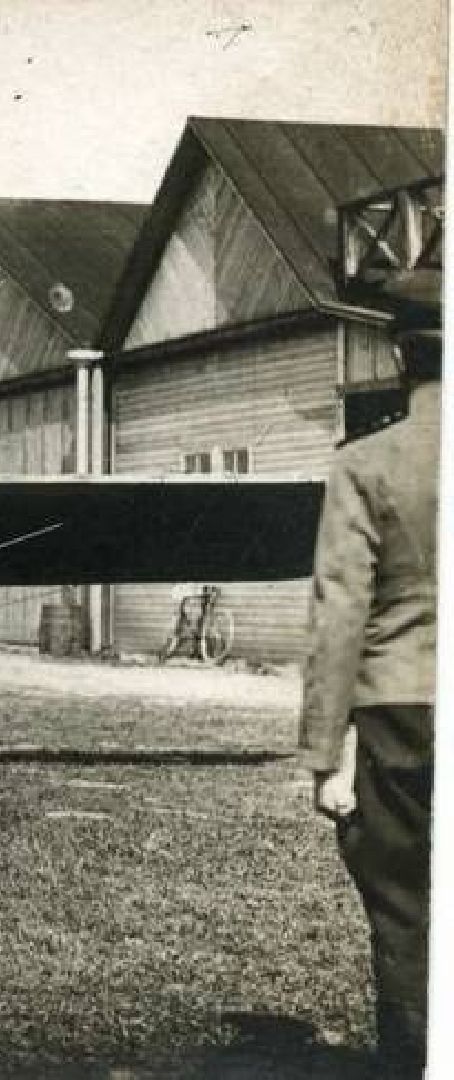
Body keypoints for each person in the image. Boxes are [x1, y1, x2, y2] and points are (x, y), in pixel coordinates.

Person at [299, 302, 439, 1074]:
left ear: (399, 359)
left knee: (405, 913)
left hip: (400, 715)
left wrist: (327, 754)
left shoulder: (365, 463)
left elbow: (340, 613)